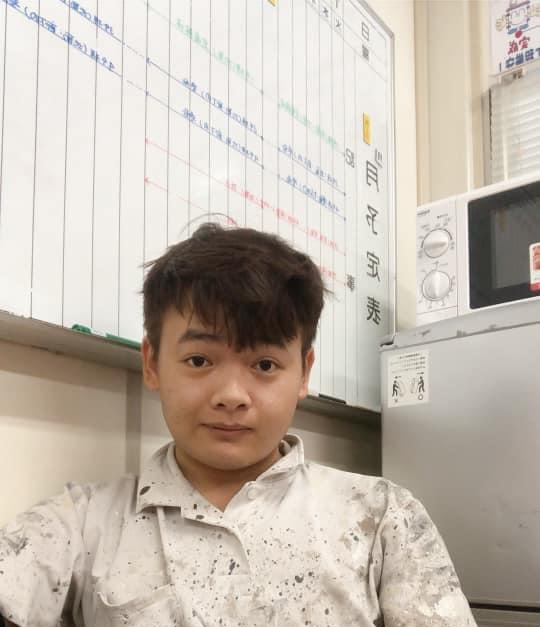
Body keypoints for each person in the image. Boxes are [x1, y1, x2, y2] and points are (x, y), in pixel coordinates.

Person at [0, 224, 477, 626]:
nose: (231, 395)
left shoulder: (382, 517)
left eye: (265, 365)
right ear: (152, 362)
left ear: (303, 373)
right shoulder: (79, 524)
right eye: (199, 359)